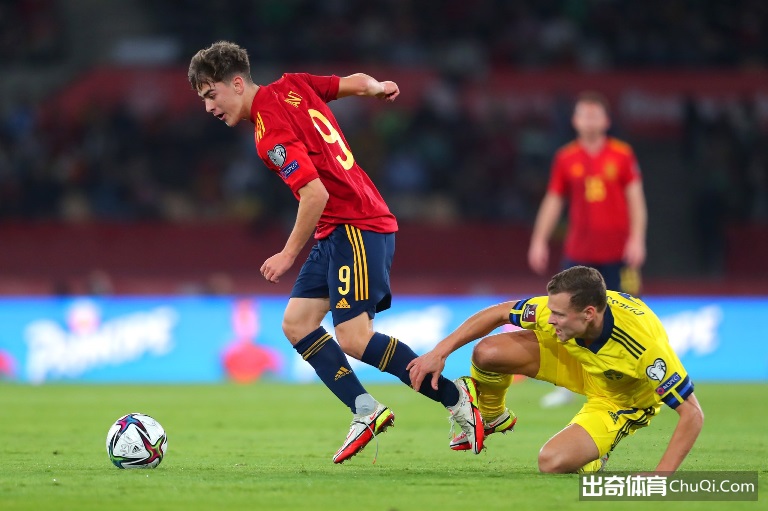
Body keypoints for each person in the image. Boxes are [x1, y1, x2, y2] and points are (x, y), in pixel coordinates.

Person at [187, 41, 483, 463]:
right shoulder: (294, 85)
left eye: (210, 94)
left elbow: (315, 194)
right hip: (337, 230)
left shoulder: (269, 132)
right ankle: (365, 409)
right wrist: (377, 87)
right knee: (297, 323)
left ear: (236, 83)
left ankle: (458, 400)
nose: (208, 107)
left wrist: (287, 254)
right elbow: (355, 83)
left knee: (354, 338)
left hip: (356, 225)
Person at [407, 266, 703, 473]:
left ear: (588, 314)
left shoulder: (644, 347)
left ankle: (594, 458)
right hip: (574, 358)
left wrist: (660, 476)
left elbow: (692, 413)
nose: (550, 319)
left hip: (620, 398)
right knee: (488, 352)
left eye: (559, 315)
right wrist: (439, 352)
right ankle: (492, 416)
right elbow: (499, 313)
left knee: (552, 462)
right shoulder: (561, 312)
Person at [528, 91, 648, 408]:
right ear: (575, 121)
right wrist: (539, 239)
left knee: (624, 316)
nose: (590, 120)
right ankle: (569, 384)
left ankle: (629, 379)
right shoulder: (566, 157)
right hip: (579, 253)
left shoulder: (622, 155)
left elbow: (636, 199)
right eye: (584, 114)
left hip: (617, 253)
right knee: (565, 316)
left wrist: (637, 239)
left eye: (595, 115)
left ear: (606, 121)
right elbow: (554, 200)